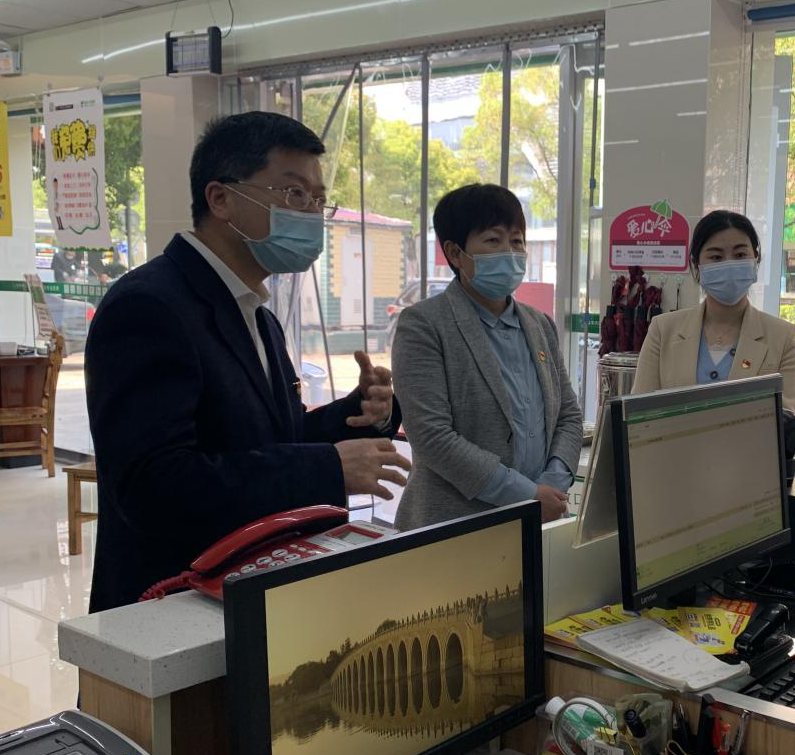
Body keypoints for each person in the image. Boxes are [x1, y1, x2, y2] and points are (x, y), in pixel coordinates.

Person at [85, 112, 409, 613]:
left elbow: (270, 439)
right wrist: (327, 468)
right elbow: (155, 486)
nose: (311, 214)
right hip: (172, 604)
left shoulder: (256, 312)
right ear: (220, 198)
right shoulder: (149, 306)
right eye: (294, 193)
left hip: (251, 588)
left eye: (318, 199)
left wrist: (357, 413)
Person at [393, 184, 583, 530]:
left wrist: (552, 485)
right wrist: (526, 495)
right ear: (455, 253)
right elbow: (432, 436)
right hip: (453, 527)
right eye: (494, 240)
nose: (510, 252)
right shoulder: (423, 325)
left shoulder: (540, 324)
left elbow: (568, 414)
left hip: (536, 521)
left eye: (517, 241)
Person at [632, 210, 795, 414]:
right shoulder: (663, 331)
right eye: (716, 257)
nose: (729, 264)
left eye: (740, 255)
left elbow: (786, 421)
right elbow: (639, 414)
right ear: (696, 265)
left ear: (756, 259)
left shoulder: (784, 338)